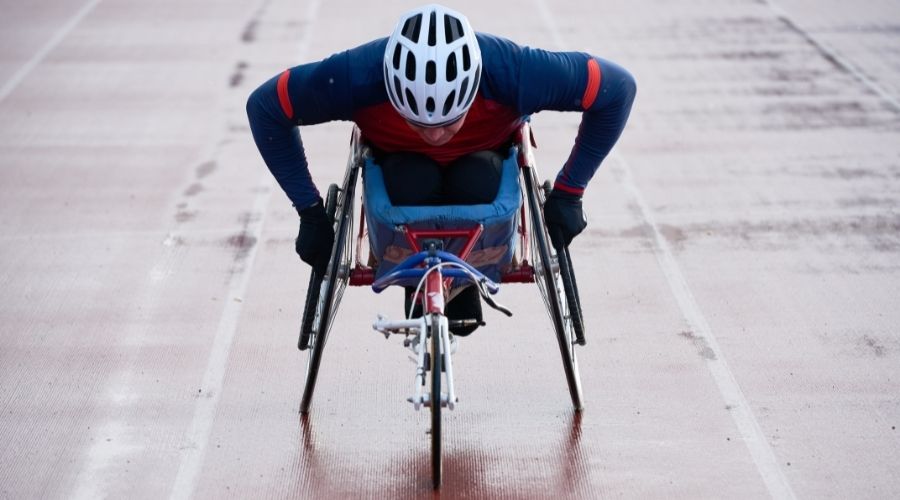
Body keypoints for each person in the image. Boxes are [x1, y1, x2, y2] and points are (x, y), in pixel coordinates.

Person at [247, 3, 636, 335]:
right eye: (419, 123)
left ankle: (465, 275)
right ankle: (418, 271)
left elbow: (617, 89)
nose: (436, 136)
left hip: (483, 166)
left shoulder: (516, 71)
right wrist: (310, 211)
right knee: (411, 179)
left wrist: (570, 191)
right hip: (401, 172)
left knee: (478, 178)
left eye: (451, 122)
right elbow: (265, 108)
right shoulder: (355, 77)